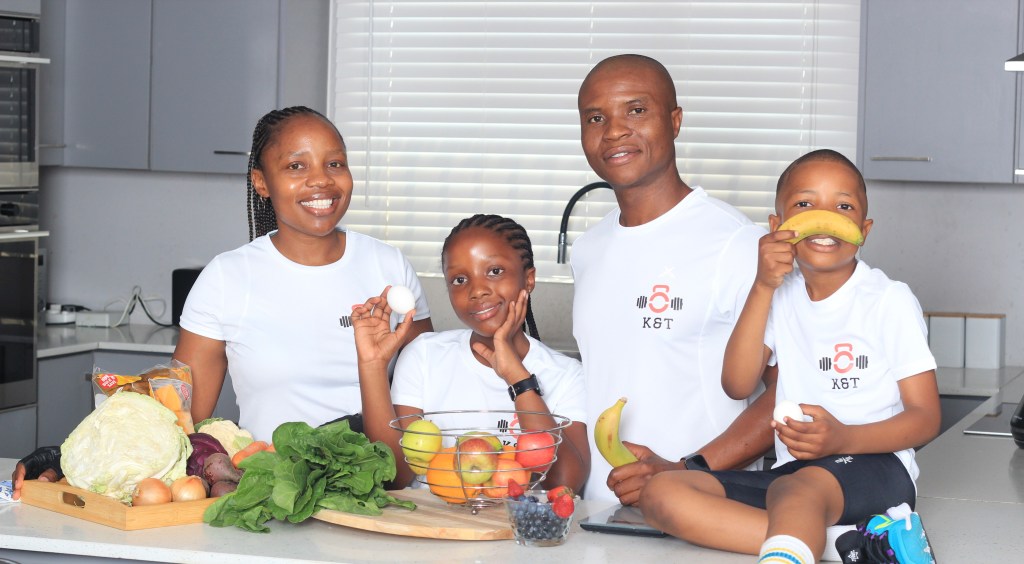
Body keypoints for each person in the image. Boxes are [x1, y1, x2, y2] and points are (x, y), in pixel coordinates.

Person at [10, 107, 436, 499]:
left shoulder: (388, 266)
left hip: (386, 498)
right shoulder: (229, 278)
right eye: (296, 166)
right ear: (261, 182)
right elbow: (175, 414)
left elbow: (429, 398)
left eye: (335, 163)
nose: (321, 180)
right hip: (274, 497)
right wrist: (69, 458)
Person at [640, 149, 940, 563]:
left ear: (863, 229)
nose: (825, 216)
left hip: (876, 465)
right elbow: (737, 384)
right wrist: (763, 285)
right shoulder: (779, 294)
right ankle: (849, 545)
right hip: (793, 474)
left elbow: (926, 418)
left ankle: (798, 545)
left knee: (796, 491)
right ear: (777, 226)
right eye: (805, 204)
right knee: (662, 492)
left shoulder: (888, 299)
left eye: (843, 206)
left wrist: (843, 438)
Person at [571, 54, 776, 504]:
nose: (614, 131)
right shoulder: (587, 249)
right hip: (601, 515)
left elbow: (790, 391)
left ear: (675, 121)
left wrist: (687, 470)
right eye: (596, 118)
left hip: (705, 507)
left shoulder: (737, 243)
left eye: (636, 110)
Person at [352, 214, 590, 492]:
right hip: (433, 518)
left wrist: (518, 378)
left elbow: (563, 483)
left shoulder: (566, 375)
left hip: (515, 521)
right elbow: (394, 477)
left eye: (495, 271)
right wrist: (372, 364)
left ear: (528, 279)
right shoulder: (425, 355)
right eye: (460, 279)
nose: (477, 290)